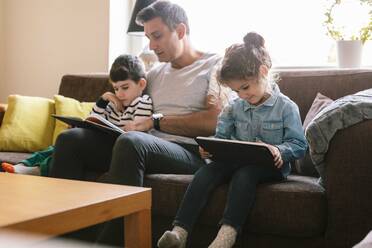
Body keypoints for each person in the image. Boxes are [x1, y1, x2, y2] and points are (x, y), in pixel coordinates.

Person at [49, 1, 228, 246]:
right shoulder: (154, 73)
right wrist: (109, 102)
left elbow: (214, 120)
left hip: (190, 153)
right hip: (140, 145)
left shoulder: (214, 65)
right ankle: (65, 238)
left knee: (132, 142)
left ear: (181, 31)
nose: (151, 46)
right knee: (70, 140)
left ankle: (109, 243)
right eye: (148, 37)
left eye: (157, 36)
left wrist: (156, 122)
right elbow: (127, 106)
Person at [157, 32, 308, 248]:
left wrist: (278, 150)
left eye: (245, 87)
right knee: (207, 171)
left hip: (269, 166)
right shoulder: (233, 107)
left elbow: (300, 146)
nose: (242, 95)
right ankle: (179, 231)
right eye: (236, 91)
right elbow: (222, 138)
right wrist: (210, 149)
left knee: (245, 174)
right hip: (235, 160)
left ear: (263, 72)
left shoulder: (286, 107)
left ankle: (227, 234)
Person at [1, 54, 152, 176]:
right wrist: (105, 98)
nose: (119, 94)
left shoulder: (143, 102)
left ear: (141, 84)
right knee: (56, 146)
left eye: (125, 88)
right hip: (99, 143)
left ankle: (37, 170)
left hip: (117, 150)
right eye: (116, 89)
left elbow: (137, 132)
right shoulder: (112, 104)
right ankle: (23, 165)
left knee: (67, 145)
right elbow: (93, 119)